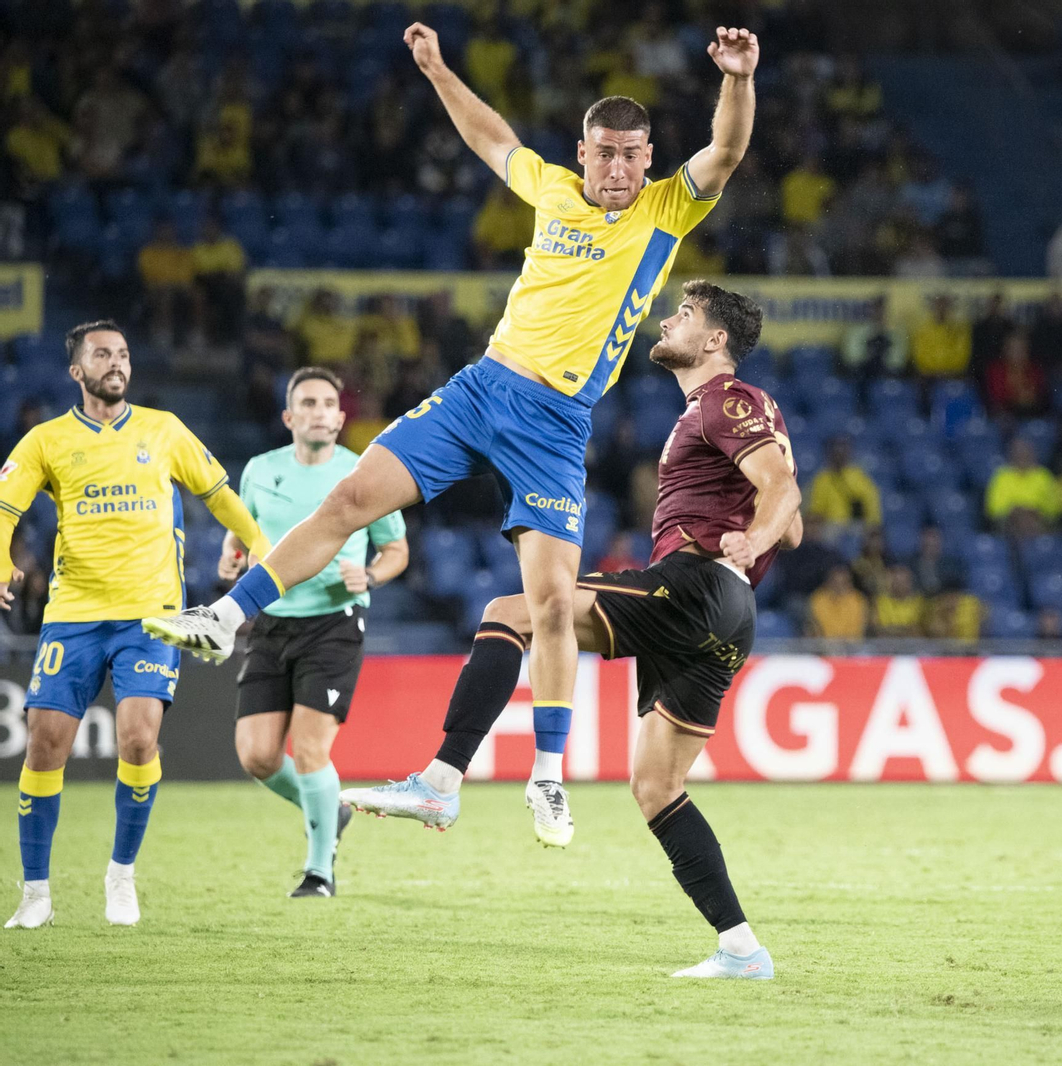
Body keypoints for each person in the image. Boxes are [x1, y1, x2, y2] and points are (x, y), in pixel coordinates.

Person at [143, 23, 761, 851]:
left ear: (650, 158)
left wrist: (739, 77)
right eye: (603, 153)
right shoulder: (550, 190)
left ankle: (548, 777)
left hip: (553, 421)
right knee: (351, 498)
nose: (617, 168)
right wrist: (436, 69)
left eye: (630, 154)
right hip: (480, 389)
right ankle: (225, 618)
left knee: (547, 604)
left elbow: (725, 148)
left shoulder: (664, 208)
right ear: (582, 154)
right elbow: (489, 136)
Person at [342, 282, 799, 979]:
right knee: (656, 788)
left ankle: (440, 780)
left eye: (685, 314)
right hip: (727, 617)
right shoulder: (722, 414)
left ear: (714, 341)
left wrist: (747, 537)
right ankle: (741, 947)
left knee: (510, 614)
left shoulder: (725, 399)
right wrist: (761, 533)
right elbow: (790, 523)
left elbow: (784, 497)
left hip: (697, 584)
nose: (668, 320)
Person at [1, 321, 270, 929]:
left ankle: (120, 877)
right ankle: (36, 891)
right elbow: (5, 507)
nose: (116, 363)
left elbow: (219, 491)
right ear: (77, 371)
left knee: (139, 740)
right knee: (45, 747)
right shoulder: (46, 440)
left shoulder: (164, 429)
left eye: (123, 353)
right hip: (72, 615)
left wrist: (259, 540)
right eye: (102, 354)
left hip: (151, 615)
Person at [224, 368, 410, 899]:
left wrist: (370, 573)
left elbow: (397, 550)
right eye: (308, 403)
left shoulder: (362, 475)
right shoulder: (259, 471)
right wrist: (233, 556)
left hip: (334, 621)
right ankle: (333, 811)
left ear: (341, 416)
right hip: (273, 620)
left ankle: (318, 872)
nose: (320, 411)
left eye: (329, 403)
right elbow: (244, 534)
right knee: (257, 756)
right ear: (289, 417)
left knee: (309, 749)